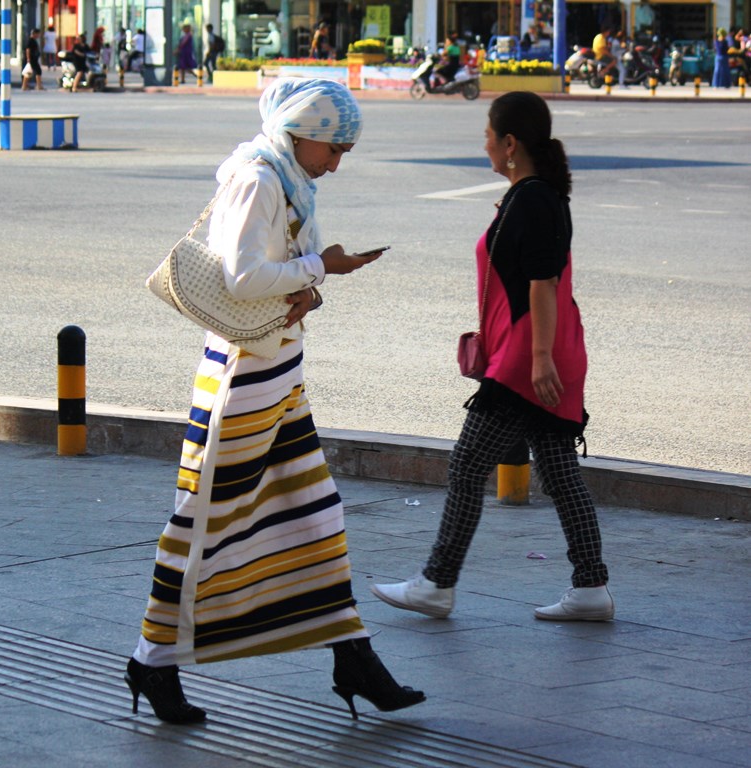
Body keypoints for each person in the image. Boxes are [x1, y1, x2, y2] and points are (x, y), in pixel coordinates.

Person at [124, 77, 425, 725]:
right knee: (202, 519)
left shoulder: (287, 179)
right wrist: (324, 269)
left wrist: (309, 286)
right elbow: (241, 277)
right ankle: (151, 661)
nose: (338, 161)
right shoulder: (260, 179)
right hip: (242, 376)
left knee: (315, 515)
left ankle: (353, 656)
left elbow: (276, 273)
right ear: (302, 134)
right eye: (334, 147)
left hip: (277, 371)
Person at [371, 91, 614, 624]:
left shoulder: (534, 200)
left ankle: (436, 582)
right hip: (536, 352)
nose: (483, 146)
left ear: (509, 144)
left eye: (487, 136)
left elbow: (544, 284)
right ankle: (591, 586)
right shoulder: (533, 195)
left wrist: (541, 359)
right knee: (558, 469)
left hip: (531, 357)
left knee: (467, 463)